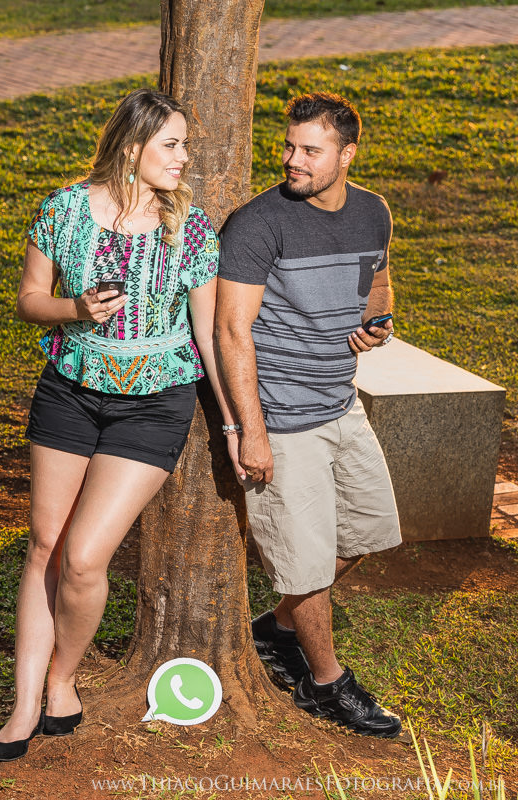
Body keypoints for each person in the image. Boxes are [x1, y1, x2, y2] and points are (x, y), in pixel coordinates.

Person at [0, 88, 239, 762]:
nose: (185, 158)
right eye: (172, 145)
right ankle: (22, 704)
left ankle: (62, 679)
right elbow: (28, 302)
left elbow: (210, 336)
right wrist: (75, 307)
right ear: (132, 150)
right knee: (44, 545)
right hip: (68, 393)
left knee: (83, 558)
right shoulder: (63, 211)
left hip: (154, 402)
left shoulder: (188, 227)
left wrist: (237, 423)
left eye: (184, 144)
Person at [216, 91, 403, 738]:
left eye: (310, 150)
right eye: (289, 146)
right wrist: (251, 432)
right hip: (282, 414)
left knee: (371, 531)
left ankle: (278, 625)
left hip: (339, 402)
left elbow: (377, 284)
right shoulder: (257, 223)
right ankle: (325, 685)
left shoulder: (372, 211)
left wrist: (377, 325)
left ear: (346, 155)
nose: (293, 160)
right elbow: (231, 332)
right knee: (308, 561)